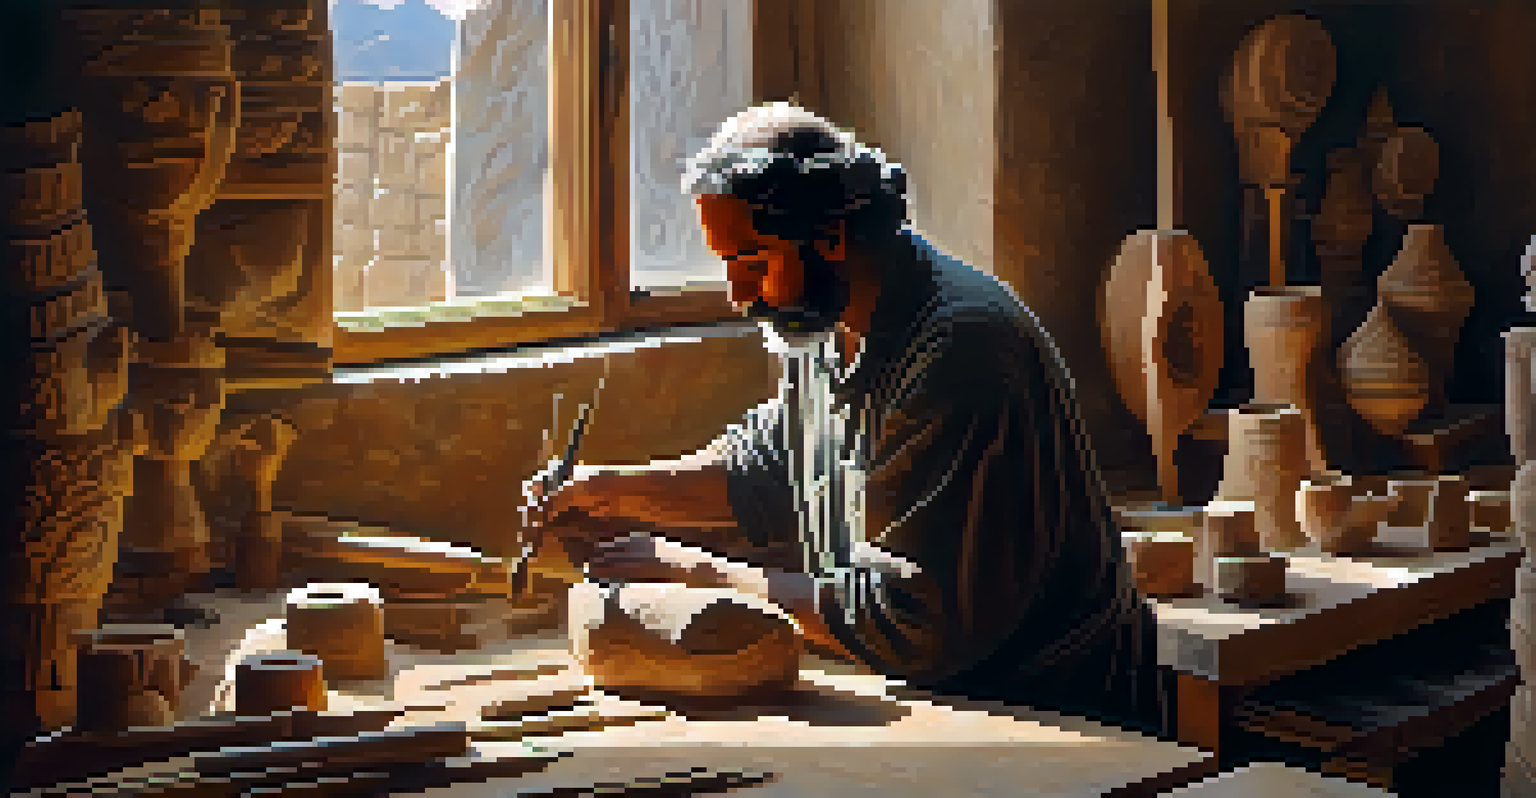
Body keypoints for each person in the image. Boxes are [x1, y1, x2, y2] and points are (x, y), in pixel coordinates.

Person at [522, 102, 1167, 736]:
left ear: (830, 233)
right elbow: (766, 468)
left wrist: (692, 569)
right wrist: (606, 490)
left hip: (1061, 716)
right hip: (950, 704)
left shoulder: (956, 353)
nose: (737, 293)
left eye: (751, 262)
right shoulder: (826, 326)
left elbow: (906, 621)